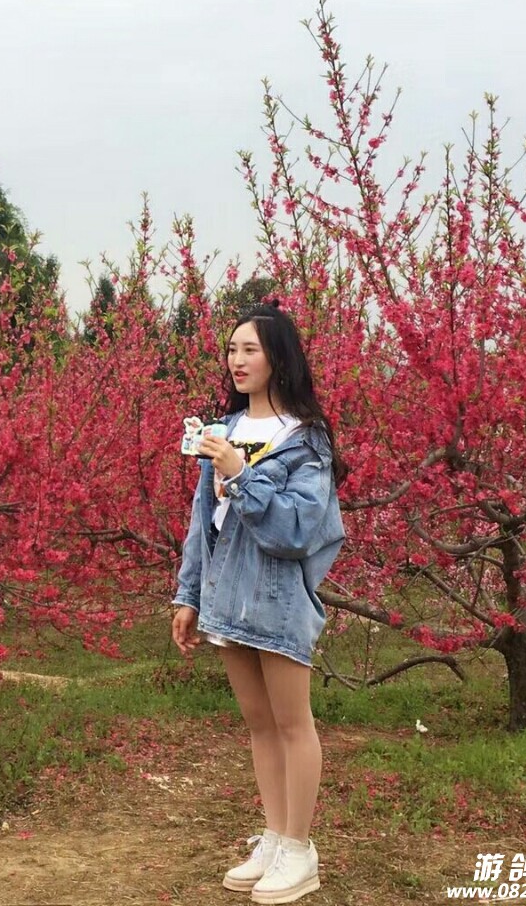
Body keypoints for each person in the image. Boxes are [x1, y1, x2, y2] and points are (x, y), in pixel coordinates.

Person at [171, 303, 346, 904]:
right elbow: (203, 522)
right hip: (226, 597)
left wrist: (239, 472)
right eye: (231, 349)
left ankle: (300, 848)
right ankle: (275, 836)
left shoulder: (306, 440)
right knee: (259, 725)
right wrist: (188, 595)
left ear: (278, 357)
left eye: (250, 349)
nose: (237, 360)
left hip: (277, 600)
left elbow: (298, 529)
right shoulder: (221, 428)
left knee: (294, 724)